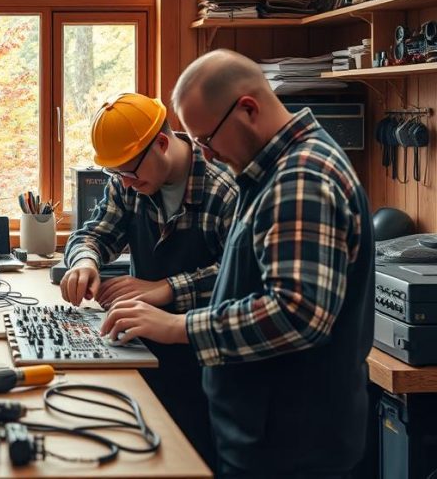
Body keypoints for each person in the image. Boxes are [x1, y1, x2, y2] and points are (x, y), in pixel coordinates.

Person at [102, 50, 374, 477]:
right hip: (263, 433)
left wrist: (179, 326)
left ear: (247, 109)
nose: (205, 156)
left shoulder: (300, 178)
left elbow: (297, 313)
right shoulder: (269, 172)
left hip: (290, 444)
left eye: (207, 139)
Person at [60, 92, 238, 469]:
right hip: (146, 348)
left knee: (193, 459)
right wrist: (85, 261)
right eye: (116, 174)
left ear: (161, 143)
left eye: (128, 172)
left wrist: (166, 288)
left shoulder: (225, 189)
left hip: (209, 361)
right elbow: (94, 234)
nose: (123, 184)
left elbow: (239, 272)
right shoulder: (131, 183)